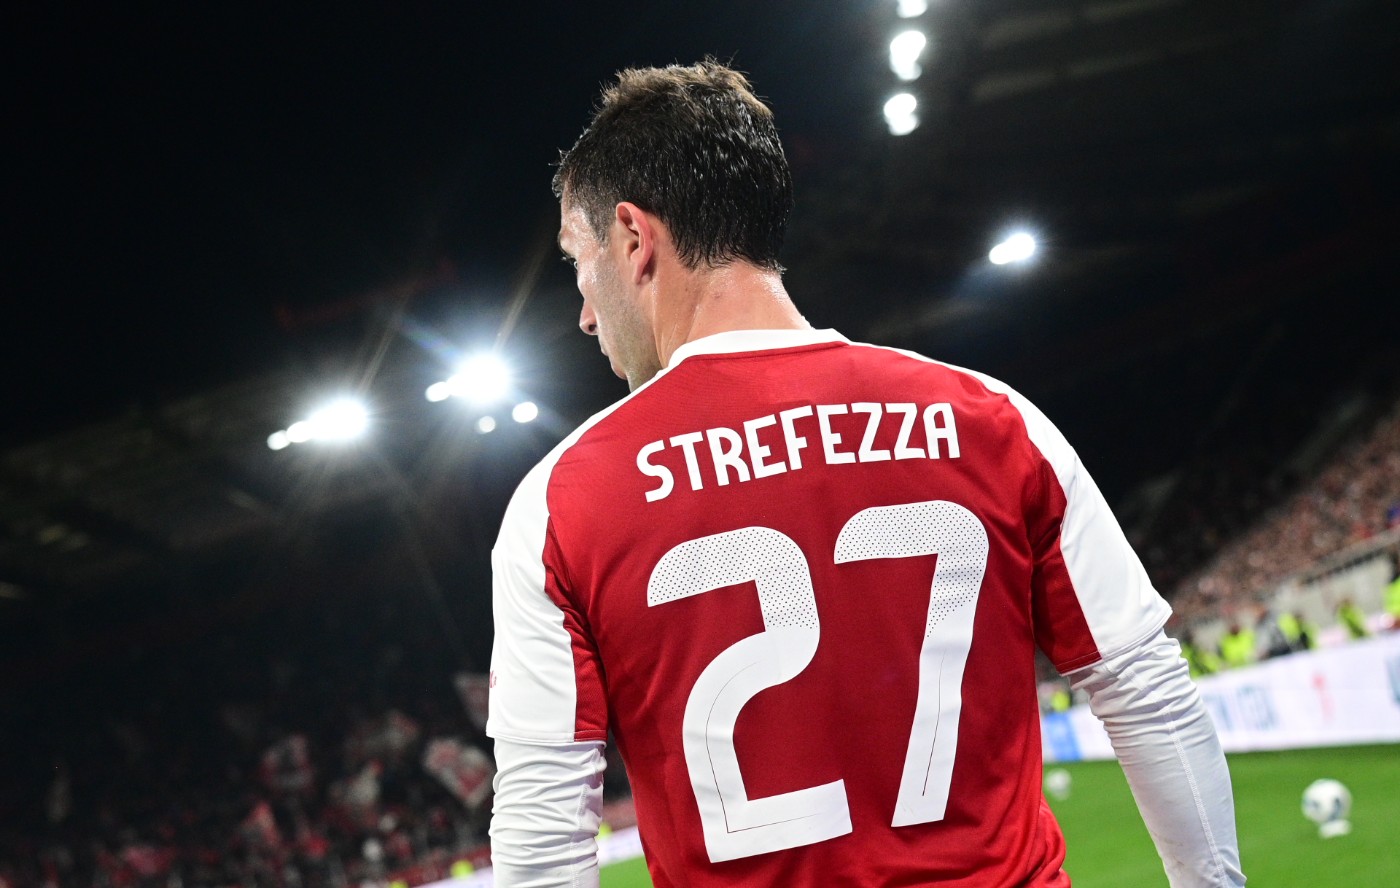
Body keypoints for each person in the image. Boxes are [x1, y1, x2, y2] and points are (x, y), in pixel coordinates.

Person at [487, 60, 1244, 888]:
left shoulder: (564, 503)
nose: (585, 313)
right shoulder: (993, 420)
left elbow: (544, 832)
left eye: (578, 262)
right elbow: (1144, 686)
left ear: (633, 239)